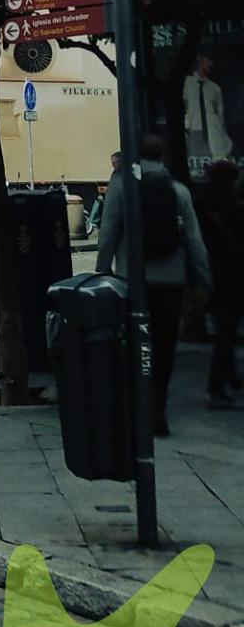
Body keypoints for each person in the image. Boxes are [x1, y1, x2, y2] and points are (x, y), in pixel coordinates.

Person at [97, 133, 213, 435]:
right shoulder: (178, 191)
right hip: (170, 282)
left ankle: (137, 408)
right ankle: (158, 409)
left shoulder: (123, 187)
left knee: (134, 345)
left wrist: (101, 273)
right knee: (164, 347)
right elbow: (194, 242)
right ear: (163, 156)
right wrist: (203, 280)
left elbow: (108, 233)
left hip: (132, 282)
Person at [196, 160, 244, 409]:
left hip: (210, 273)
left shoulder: (201, 203)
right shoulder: (232, 207)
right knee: (227, 331)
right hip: (232, 275)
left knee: (223, 328)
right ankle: (217, 386)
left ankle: (231, 377)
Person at [185, 53, 232, 174]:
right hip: (193, 130)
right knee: (195, 164)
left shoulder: (214, 88)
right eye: (209, 60)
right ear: (199, 59)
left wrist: (222, 133)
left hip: (212, 131)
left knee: (215, 162)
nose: (211, 64)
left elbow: (220, 114)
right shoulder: (186, 84)